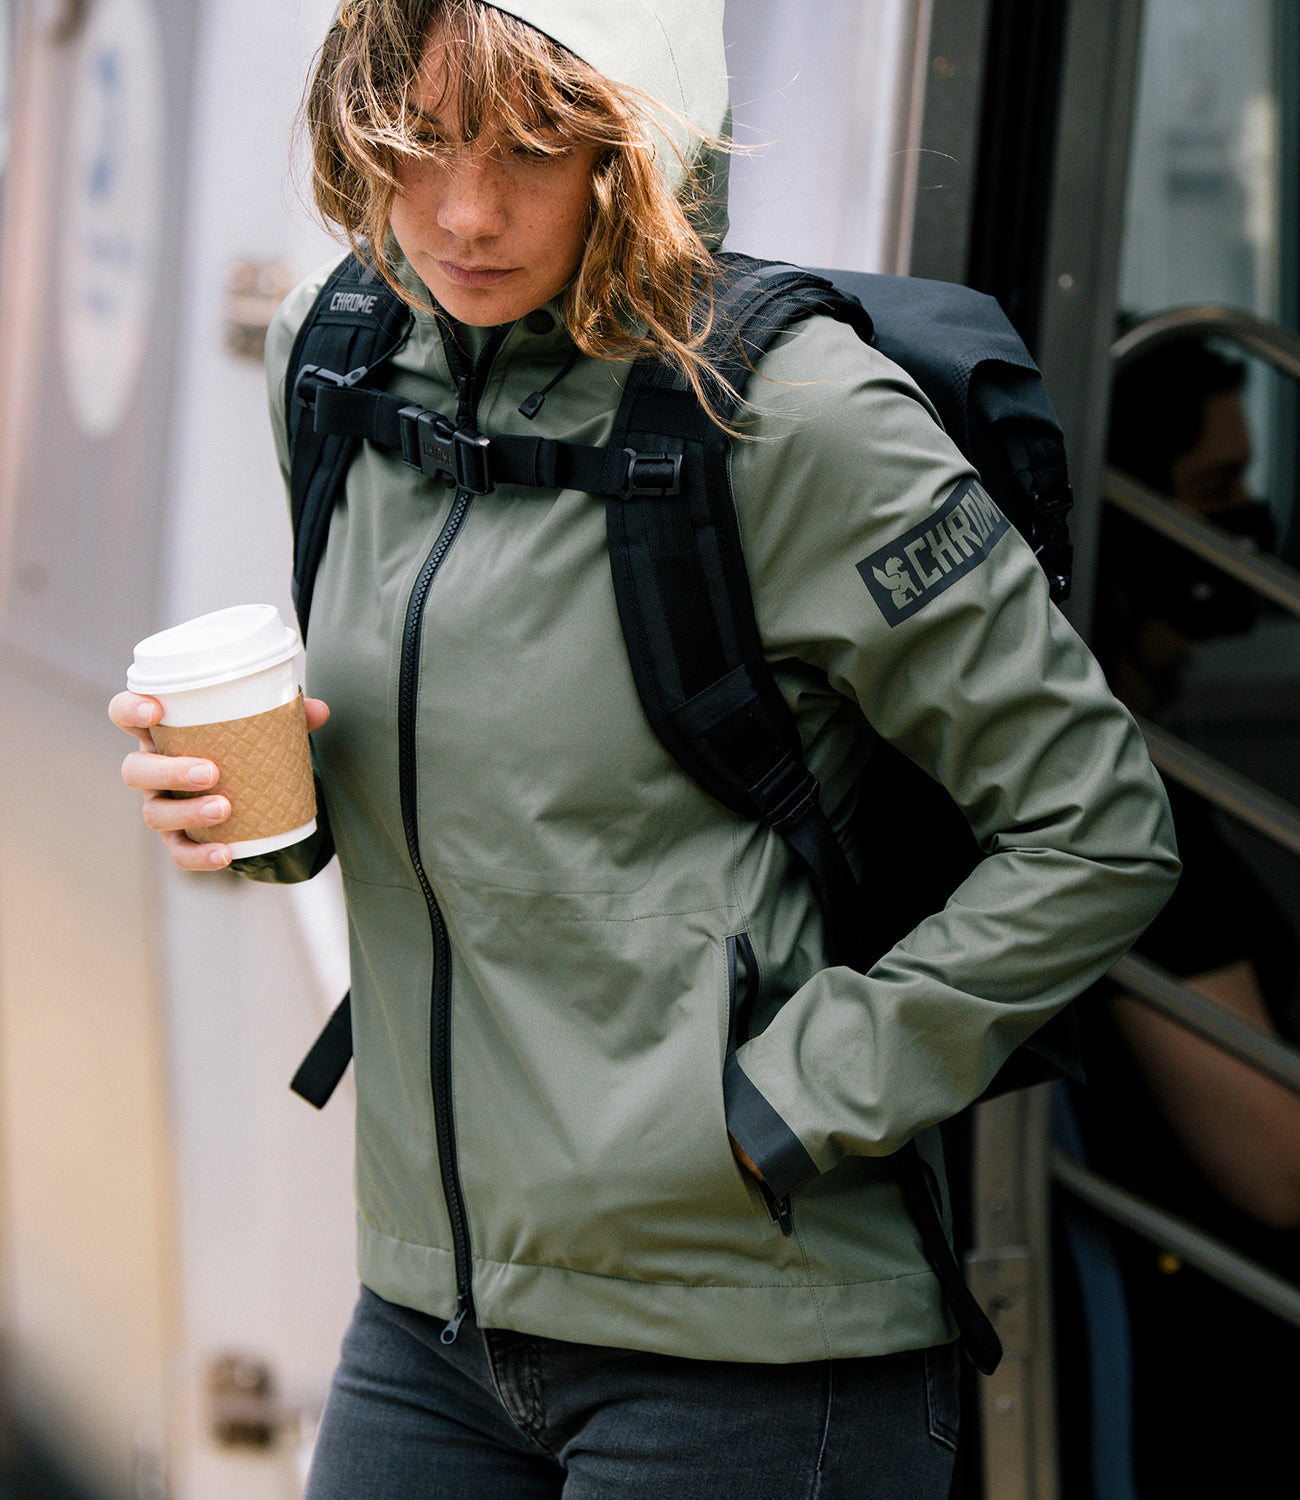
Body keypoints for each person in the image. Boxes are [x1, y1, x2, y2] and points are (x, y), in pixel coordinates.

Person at [110, 3, 1178, 1495]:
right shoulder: (338, 361)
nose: (465, 214)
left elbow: (1101, 830)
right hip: (434, 1317)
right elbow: (513, 806)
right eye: (417, 149)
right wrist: (258, 815)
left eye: (537, 151)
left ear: (645, 143)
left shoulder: (799, 418)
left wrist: (789, 1101)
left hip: (750, 1345)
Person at [1058, 334, 1300, 1497]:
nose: (1245, 525)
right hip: (1216, 1355)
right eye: (1212, 497)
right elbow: (1275, 1163)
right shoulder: (1119, 799)